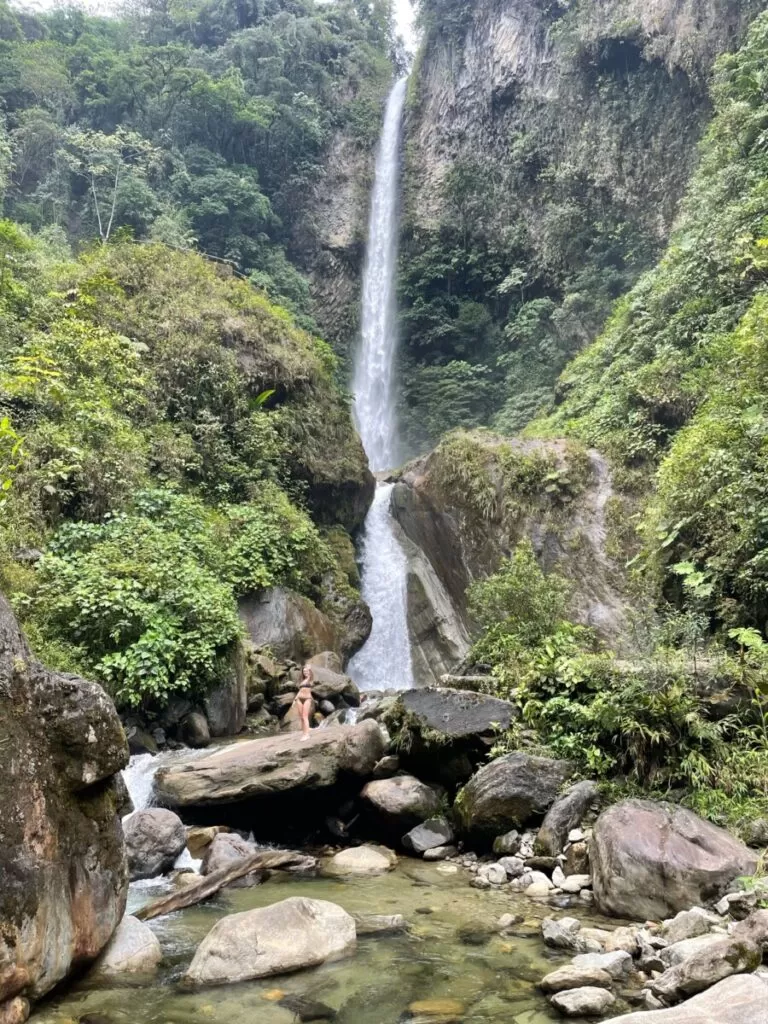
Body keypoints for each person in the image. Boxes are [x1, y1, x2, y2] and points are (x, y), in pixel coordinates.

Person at [293, 663, 315, 740]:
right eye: (304, 671)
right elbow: (300, 691)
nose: (305, 672)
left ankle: (307, 734)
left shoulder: (310, 679)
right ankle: (304, 733)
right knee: (302, 717)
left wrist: (309, 669)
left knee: (305, 716)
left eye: (306, 671)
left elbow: (310, 675)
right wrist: (295, 699)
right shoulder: (302, 681)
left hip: (307, 699)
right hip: (299, 699)